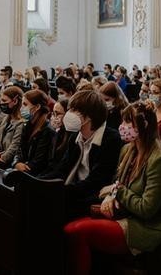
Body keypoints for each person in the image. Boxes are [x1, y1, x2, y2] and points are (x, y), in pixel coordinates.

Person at [64, 101, 161, 275]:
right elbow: (115, 183)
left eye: (127, 123)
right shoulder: (128, 150)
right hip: (123, 213)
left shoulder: (159, 160)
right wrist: (111, 195)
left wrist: (117, 191)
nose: (122, 127)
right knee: (71, 221)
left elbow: (147, 209)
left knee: (76, 231)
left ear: (143, 126)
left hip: (144, 226)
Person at [41, 90, 122, 220]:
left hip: (93, 195)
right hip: (74, 190)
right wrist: (39, 182)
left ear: (89, 116)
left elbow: (97, 181)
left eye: (74, 110)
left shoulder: (111, 139)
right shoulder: (75, 136)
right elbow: (63, 168)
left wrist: (61, 191)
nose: (69, 114)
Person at [12, 90, 54, 176]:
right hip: (23, 170)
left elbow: (39, 161)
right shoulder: (27, 125)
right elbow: (19, 149)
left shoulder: (47, 130)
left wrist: (23, 167)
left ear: (37, 106)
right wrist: (16, 163)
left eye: (25, 104)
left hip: (34, 175)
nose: (21, 108)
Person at [0, 86, 25, 167]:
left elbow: (13, 148)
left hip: (7, 164)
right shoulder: (5, 118)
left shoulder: (21, 123)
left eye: (4, 100)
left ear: (15, 101)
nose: (1, 103)